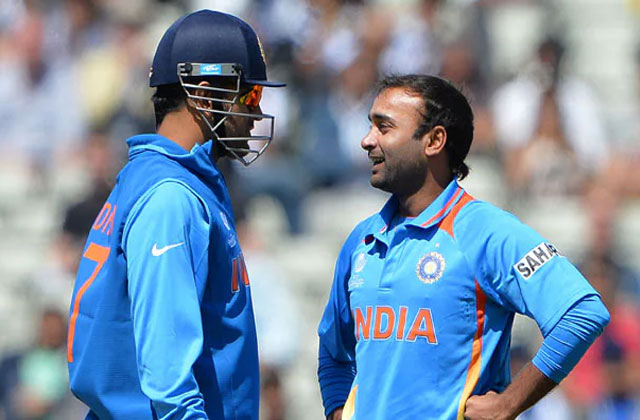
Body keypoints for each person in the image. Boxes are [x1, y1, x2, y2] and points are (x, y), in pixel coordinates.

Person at [316, 75, 610, 420]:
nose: (367, 140)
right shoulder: (361, 240)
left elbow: (582, 312)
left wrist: (509, 403)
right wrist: (338, 411)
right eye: (370, 126)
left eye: (384, 127)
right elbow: (333, 351)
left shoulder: (485, 231)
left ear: (434, 140)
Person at [66, 9, 284, 419]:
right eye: (250, 96)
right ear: (204, 95)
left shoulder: (156, 179)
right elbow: (168, 376)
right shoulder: (170, 197)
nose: (256, 115)